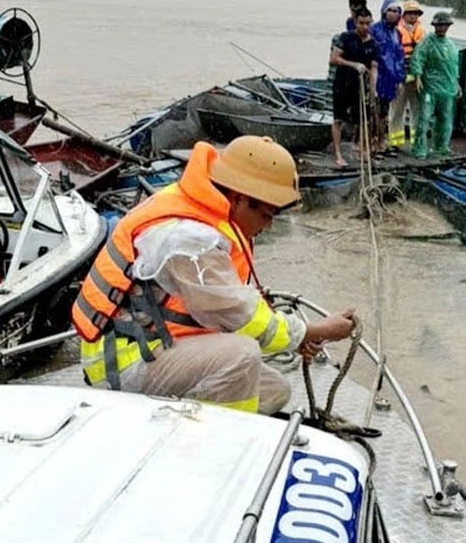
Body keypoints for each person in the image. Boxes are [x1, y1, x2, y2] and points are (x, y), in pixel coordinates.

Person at [72, 136, 357, 415]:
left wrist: (296, 339)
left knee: (274, 389)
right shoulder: (188, 239)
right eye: (268, 215)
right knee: (242, 355)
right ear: (240, 198)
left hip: (157, 344)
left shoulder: (202, 209)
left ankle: (187, 422)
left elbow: (227, 305)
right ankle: (224, 447)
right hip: (125, 365)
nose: (269, 226)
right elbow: (240, 316)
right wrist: (313, 331)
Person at [407, 11, 460, 160]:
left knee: (445, 118)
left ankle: (441, 146)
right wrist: (417, 75)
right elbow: (418, 58)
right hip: (429, 87)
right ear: (435, 25)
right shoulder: (427, 42)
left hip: (447, 88)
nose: (443, 28)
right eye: (440, 25)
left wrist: (456, 83)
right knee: (424, 117)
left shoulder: (451, 45)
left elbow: (453, 66)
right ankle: (420, 148)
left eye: (445, 25)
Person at [329, 7, 378, 167]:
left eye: (367, 23)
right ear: (355, 22)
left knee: (363, 120)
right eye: (361, 23)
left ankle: (363, 151)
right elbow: (334, 59)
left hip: (360, 86)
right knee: (338, 119)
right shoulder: (346, 38)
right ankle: (337, 153)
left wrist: (373, 88)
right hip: (342, 84)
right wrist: (353, 65)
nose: (364, 27)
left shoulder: (373, 43)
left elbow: (373, 67)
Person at [369, 0, 406, 156]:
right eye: (389, 10)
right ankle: (371, 142)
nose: (392, 14)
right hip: (377, 77)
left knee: (384, 112)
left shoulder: (397, 33)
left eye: (396, 11)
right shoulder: (374, 30)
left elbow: (399, 57)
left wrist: (399, 79)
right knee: (373, 111)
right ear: (384, 12)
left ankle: (381, 141)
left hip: (390, 79)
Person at [391, 0, 426, 148]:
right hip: (400, 76)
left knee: (416, 109)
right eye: (410, 13)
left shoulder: (422, 31)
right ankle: (395, 142)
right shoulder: (396, 31)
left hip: (417, 77)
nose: (413, 16)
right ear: (404, 15)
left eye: (415, 13)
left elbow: (425, 54)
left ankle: (415, 141)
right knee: (397, 109)